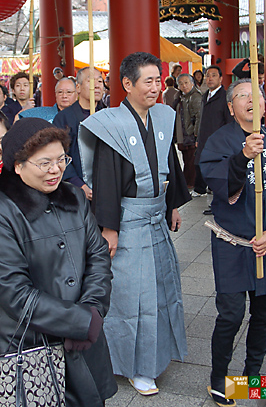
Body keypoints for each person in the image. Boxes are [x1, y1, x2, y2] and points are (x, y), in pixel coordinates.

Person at [78, 52, 190, 396]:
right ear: (127, 84)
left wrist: (173, 205)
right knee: (131, 297)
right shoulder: (112, 122)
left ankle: (157, 356)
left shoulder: (163, 116)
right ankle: (133, 366)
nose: (156, 87)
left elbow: (170, 162)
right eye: (148, 81)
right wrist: (108, 228)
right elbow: (106, 177)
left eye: (159, 80)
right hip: (127, 220)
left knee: (161, 290)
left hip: (156, 214)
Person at [0, 117, 117, 407]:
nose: (56, 170)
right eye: (44, 163)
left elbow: (98, 257)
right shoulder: (4, 211)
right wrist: (77, 322)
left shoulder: (74, 198)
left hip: (85, 339)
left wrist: (92, 311)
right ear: (18, 165)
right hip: (30, 344)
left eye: (61, 159)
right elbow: (13, 291)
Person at [200, 79, 266, 407]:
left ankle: (250, 380)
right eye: (242, 96)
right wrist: (243, 156)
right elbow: (218, 185)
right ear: (231, 107)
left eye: (255, 94)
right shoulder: (220, 141)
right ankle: (220, 379)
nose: (251, 100)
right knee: (232, 314)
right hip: (232, 244)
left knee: (264, 314)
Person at [53, 67, 105, 201]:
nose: (97, 85)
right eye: (91, 81)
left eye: (100, 81)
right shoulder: (63, 118)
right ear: (78, 87)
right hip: (76, 189)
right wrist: (80, 185)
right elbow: (60, 155)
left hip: (105, 187)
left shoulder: (108, 114)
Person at [193, 65, 233, 201]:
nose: (209, 78)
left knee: (218, 172)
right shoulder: (205, 96)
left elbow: (229, 122)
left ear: (221, 79)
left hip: (218, 143)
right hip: (205, 140)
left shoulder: (225, 97)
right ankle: (214, 200)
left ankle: (220, 203)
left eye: (214, 75)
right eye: (208, 75)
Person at [173, 73, 202, 189]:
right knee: (187, 160)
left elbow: (199, 117)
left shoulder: (195, 96)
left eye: (186, 83)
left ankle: (191, 183)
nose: (184, 86)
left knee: (191, 161)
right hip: (183, 134)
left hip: (190, 135)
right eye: (181, 83)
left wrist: (196, 134)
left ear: (192, 83)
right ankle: (188, 182)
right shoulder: (181, 96)